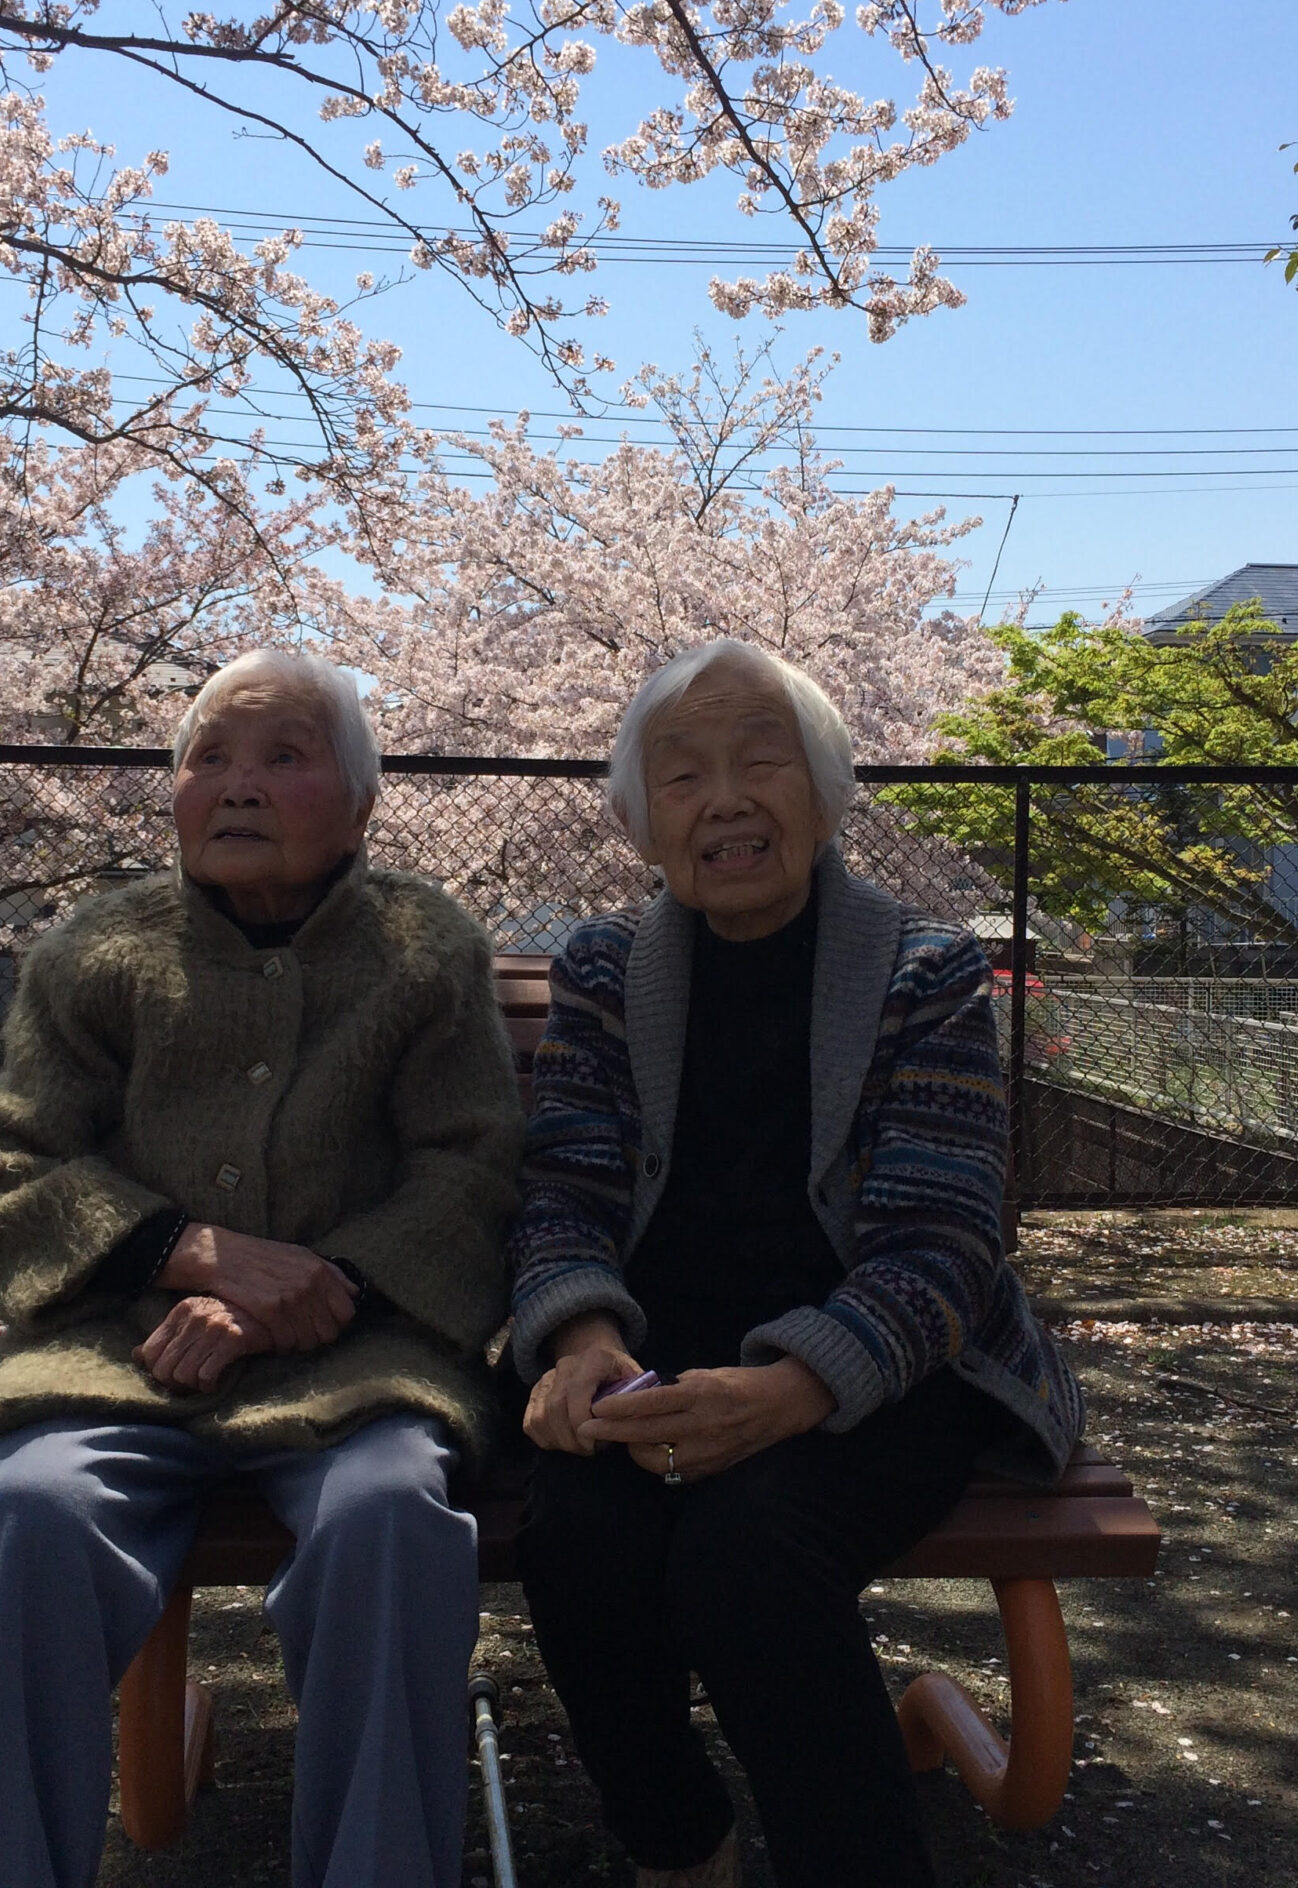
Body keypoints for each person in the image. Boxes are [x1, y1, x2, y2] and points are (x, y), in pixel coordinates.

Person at [0, 649, 524, 1888]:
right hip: (116, 1354)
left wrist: (315, 1291)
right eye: (209, 758)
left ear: (362, 806)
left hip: (365, 1359)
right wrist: (183, 1250)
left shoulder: (424, 947)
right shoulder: (99, 949)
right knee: (24, 1516)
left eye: (284, 758)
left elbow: (474, 1174)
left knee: (390, 1520)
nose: (237, 786)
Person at [508, 639, 1084, 1888]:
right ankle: (681, 1846)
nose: (724, 801)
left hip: (887, 1372)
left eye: (761, 763)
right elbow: (563, 1192)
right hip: (655, 1360)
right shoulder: (604, 972)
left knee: (746, 1550)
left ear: (824, 795)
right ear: (641, 824)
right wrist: (580, 1339)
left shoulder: (924, 972)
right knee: (576, 1532)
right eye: (683, 778)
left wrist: (792, 1388)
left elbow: (944, 1241)